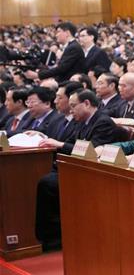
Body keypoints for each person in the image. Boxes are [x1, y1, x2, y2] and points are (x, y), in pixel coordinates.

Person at [36, 89, 121, 249]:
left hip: (93, 173)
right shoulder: (80, 121)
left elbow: (92, 151)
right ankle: (47, 237)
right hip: (74, 167)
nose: (71, 110)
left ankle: (54, 238)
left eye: (74, 106)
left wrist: (60, 145)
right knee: (43, 178)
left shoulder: (102, 122)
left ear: (87, 104)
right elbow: (68, 142)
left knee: (47, 183)